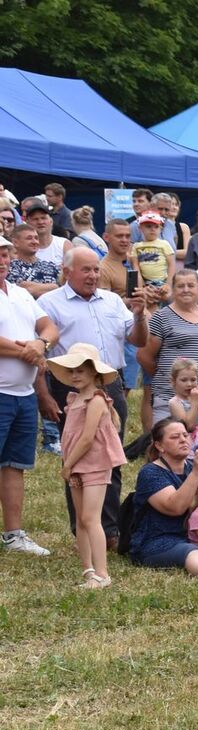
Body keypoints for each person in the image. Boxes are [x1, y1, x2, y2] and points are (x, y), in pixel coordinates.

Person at [39, 247, 154, 548]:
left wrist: (139, 315)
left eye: (95, 269)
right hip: (70, 387)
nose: (93, 275)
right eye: (86, 269)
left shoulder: (113, 301)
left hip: (110, 383)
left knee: (110, 457)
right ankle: (82, 529)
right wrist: (44, 394)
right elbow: (41, 352)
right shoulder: (49, 303)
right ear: (67, 272)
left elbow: (138, 339)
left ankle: (109, 530)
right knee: (76, 457)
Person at [49, 343, 127, 588]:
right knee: (81, 519)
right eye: (71, 371)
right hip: (76, 465)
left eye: (80, 371)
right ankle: (88, 570)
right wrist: (71, 465)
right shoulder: (74, 399)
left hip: (93, 464)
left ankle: (103, 573)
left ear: (94, 373)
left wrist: (67, 464)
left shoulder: (96, 400)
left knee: (91, 518)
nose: (75, 376)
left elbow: (87, 438)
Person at [0, 234, 59, 558]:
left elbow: (49, 327)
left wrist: (41, 344)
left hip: (23, 395)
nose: (2, 260)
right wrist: (30, 349)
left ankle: (14, 534)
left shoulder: (21, 294)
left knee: (14, 465)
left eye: (5, 254)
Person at [127, 418, 198, 578]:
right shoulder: (150, 473)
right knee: (191, 551)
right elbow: (176, 508)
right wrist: (196, 473)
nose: (182, 440)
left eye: (185, 435)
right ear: (159, 446)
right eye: (175, 437)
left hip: (197, 536)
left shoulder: (193, 466)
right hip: (158, 541)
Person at [141, 269, 198, 427]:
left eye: (191, 285)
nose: (186, 290)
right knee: (172, 439)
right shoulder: (161, 317)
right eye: (180, 286)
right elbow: (144, 356)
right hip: (171, 399)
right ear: (173, 289)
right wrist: (172, 376)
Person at [7, 225, 62, 298]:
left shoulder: (51, 266)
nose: (34, 242)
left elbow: (64, 288)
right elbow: (24, 290)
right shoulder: (10, 267)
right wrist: (55, 287)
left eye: (36, 238)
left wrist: (33, 287)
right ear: (15, 242)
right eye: (29, 238)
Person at [132, 210, 176, 293]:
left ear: (161, 228)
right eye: (148, 226)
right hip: (145, 284)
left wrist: (168, 284)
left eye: (156, 227)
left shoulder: (164, 244)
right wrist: (141, 286)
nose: (152, 229)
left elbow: (172, 265)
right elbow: (136, 268)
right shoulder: (136, 246)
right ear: (140, 228)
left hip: (162, 283)